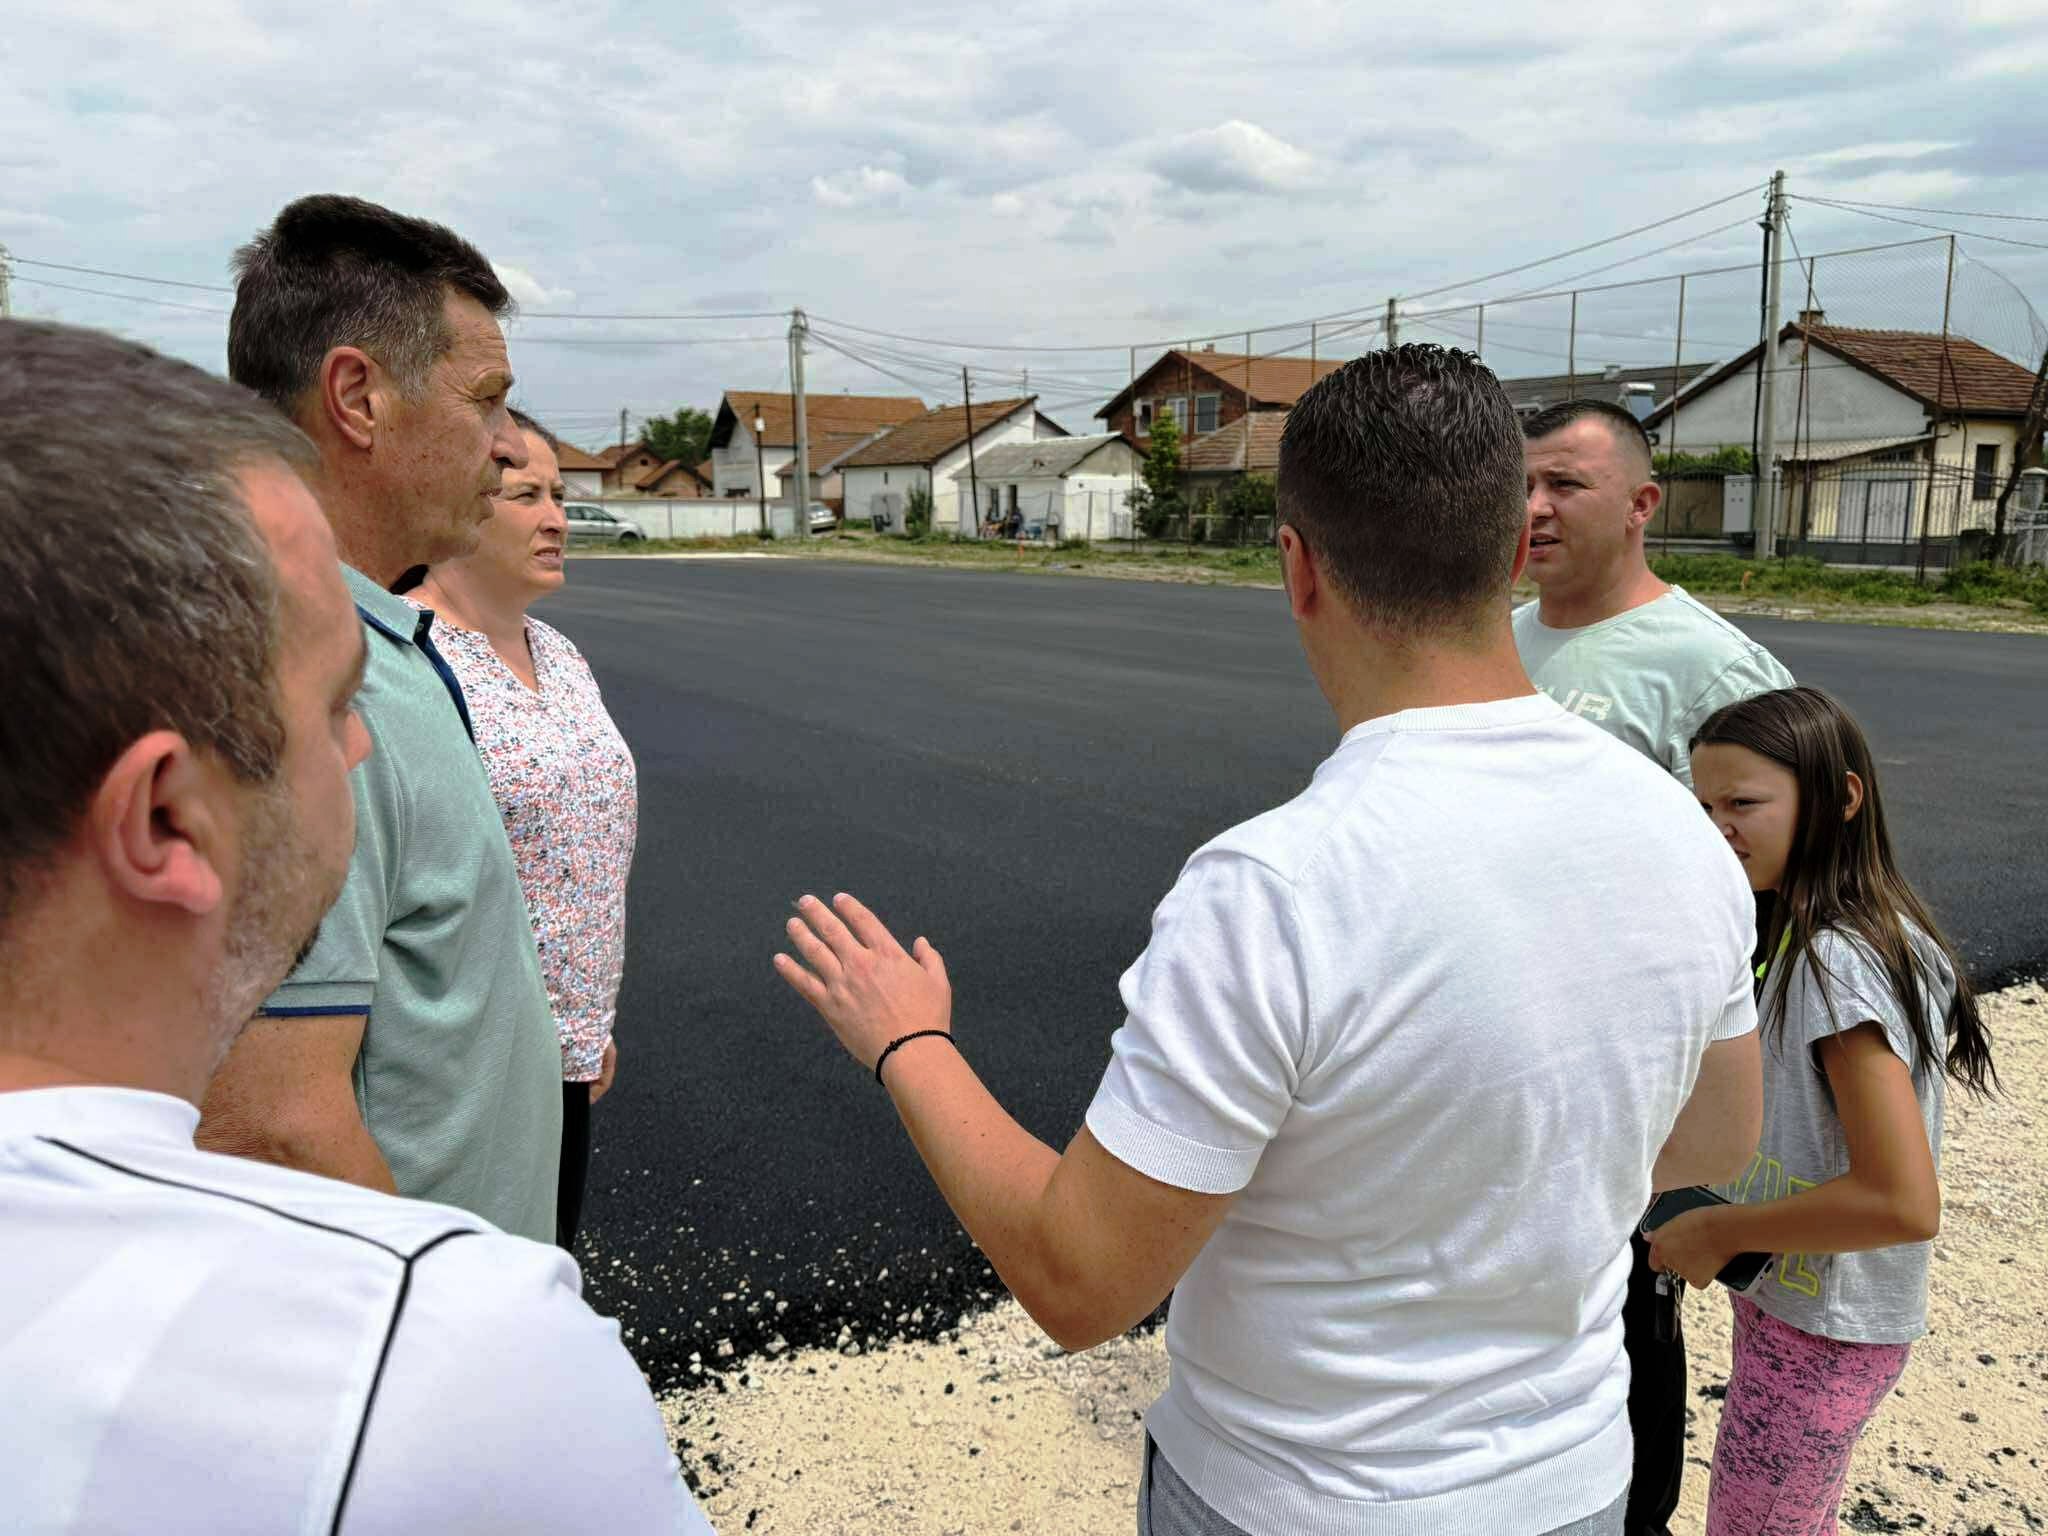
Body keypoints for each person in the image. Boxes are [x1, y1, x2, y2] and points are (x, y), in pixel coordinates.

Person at [775, 345, 1764, 1536]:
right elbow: (1715, 1138)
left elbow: (1080, 1282)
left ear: (1295, 566)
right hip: (1573, 1483)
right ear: (1513, 551)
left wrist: (907, 1042)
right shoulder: (1681, 826)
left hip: (1298, 1500)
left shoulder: (1276, 889)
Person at [0, 319, 712, 1533]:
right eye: (336, 705)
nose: (368, 745)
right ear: (165, 817)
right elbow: (280, 1122)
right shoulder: (461, 1357)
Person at [197, 194, 564, 1245]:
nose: (508, 448)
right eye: (486, 401)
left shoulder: (359, 637)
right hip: (416, 1327)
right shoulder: (283, 678)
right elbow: (272, 1129)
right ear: (358, 398)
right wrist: (454, 1321)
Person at [1519, 399, 1796, 1536]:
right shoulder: (1500, 636)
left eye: (1563, 485)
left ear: (1640, 504)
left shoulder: (1709, 664)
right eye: (1520, 486)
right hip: (1505, 1043)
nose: (1533, 509)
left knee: (1620, 1302)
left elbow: (1780, 862)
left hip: (1619, 1066)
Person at [1651, 686, 1997, 1536]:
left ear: (1842, 797)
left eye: (1743, 804)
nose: (1717, 829)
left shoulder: (1839, 962)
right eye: (1704, 807)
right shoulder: (1814, 932)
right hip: (1800, 1309)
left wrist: (1720, 1231)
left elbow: (1901, 1202)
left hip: (1824, 1330)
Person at [411, 409, 638, 1251]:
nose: (556, 519)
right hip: (467, 1065)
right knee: (472, 1279)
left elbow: (586, 844)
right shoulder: (410, 656)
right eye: (527, 496)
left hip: (564, 1052)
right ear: (462, 502)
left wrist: (587, 1022)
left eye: (561, 497)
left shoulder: (561, 654)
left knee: (546, 1259)